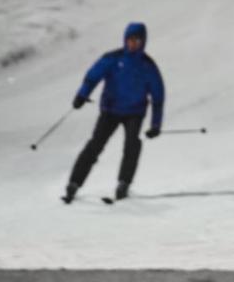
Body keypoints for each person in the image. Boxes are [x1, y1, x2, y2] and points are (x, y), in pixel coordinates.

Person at [62, 22, 165, 203]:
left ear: (143, 42)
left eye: (137, 41)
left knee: (132, 145)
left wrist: (155, 125)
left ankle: (123, 183)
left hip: (135, 112)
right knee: (95, 145)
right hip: (111, 110)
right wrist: (82, 95)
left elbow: (158, 96)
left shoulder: (147, 66)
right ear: (125, 40)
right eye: (130, 40)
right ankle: (74, 183)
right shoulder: (113, 58)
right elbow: (93, 77)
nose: (133, 44)